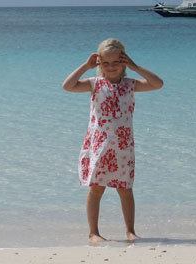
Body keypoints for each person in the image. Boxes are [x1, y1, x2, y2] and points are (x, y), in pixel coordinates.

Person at [62, 38, 163, 243]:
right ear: (99, 63)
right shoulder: (94, 84)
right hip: (100, 145)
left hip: (123, 146)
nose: (111, 67)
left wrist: (134, 66)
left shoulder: (130, 85)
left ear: (123, 61)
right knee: (97, 188)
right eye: (105, 63)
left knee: (125, 189)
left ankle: (130, 231)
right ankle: (94, 233)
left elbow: (157, 83)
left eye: (116, 62)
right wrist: (85, 65)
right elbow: (67, 86)